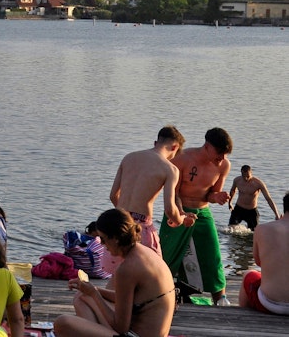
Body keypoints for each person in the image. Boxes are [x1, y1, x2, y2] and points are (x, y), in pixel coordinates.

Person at [54, 208, 175, 337]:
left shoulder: (127, 268)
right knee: (82, 297)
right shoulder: (145, 252)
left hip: (134, 334)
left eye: (103, 239)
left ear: (116, 239)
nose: (102, 244)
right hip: (144, 330)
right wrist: (93, 290)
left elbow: (121, 327)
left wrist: (95, 294)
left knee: (63, 323)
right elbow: (126, 299)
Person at [158, 127, 233, 305]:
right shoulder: (182, 159)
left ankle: (220, 299)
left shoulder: (224, 165)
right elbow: (173, 193)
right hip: (178, 211)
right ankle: (159, 292)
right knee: (166, 254)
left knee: (213, 255)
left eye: (225, 154)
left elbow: (211, 194)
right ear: (207, 146)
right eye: (219, 152)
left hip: (202, 212)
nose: (222, 158)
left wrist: (217, 197)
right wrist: (180, 213)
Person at [109, 125, 193, 259]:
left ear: (156, 142)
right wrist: (180, 220)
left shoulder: (129, 157)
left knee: (119, 275)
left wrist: (126, 218)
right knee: (153, 273)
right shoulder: (170, 169)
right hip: (141, 228)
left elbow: (113, 195)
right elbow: (170, 209)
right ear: (175, 147)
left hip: (117, 224)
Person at [239, 191, 289, 315]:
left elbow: (259, 262)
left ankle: (243, 318)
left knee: (249, 274)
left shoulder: (262, 229)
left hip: (269, 304)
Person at [228, 165, 281, 230]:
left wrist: (276, 214)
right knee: (230, 229)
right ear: (241, 173)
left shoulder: (258, 183)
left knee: (254, 233)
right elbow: (232, 190)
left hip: (251, 211)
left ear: (251, 173)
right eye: (244, 176)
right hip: (238, 209)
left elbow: (268, 199)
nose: (246, 179)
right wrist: (230, 202)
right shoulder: (237, 180)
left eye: (248, 176)